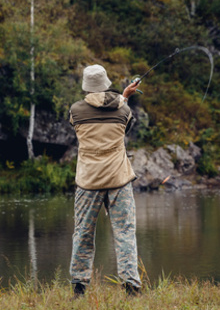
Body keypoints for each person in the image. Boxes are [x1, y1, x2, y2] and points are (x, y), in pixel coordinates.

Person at [69, 64, 141, 299]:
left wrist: (123, 98)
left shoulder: (76, 111)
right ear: (106, 82)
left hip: (88, 180)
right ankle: (131, 286)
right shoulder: (123, 111)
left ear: (86, 86)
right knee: (124, 232)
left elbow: (92, 114)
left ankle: (79, 287)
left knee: (83, 234)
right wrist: (125, 97)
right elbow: (126, 126)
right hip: (119, 179)